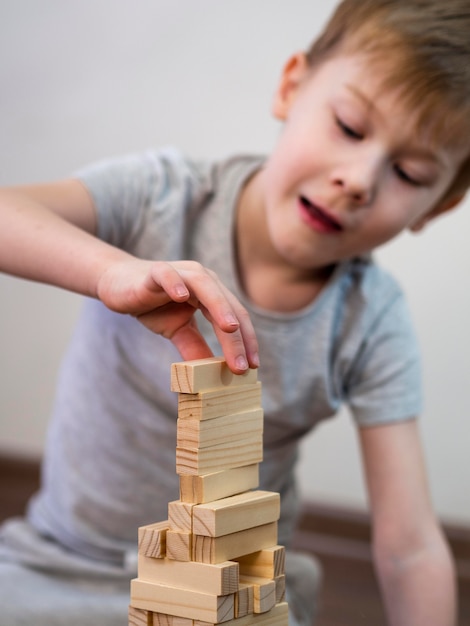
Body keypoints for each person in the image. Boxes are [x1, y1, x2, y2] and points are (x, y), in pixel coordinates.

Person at [1, 0, 469, 624]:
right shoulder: (160, 197)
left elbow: (410, 546)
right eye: (351, 127)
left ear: (436, 209)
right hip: (63, 563)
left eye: (409, 173)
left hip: (235, 587)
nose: (358, 179)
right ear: (290, 87)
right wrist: (111, 270)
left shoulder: (370, 320)